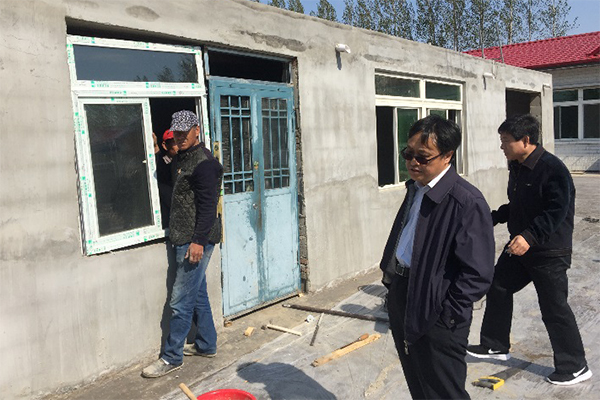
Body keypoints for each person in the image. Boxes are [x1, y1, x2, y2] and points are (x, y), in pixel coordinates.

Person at [467, 114, 592, 386]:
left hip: (548, 252)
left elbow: (556, 211)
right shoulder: (518, 166)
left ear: (525, 140)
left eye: (505, 141)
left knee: (554, 307)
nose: (502, 146)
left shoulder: (553, 170)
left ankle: (575, 366)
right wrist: (492, 218)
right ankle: (495, 345)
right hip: (521, 247)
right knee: (498, 286)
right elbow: (520, 205)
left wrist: (530, 236)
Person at [380, 114, 495, 399]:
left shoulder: (466, 201)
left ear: (447, 156)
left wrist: (446, 315)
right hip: (404, 293)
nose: (413, 162)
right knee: (417, 381)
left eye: (423, 157)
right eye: (408, 154)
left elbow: (477, 274)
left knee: (443, 391)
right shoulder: (416, 188)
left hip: (438, 310)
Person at [143, 110, 223, 378]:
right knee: (196, 293)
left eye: (184, 132)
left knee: (180, 300)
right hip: (183, 236)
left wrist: (198, 241)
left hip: (194, 240)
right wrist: (157, 149)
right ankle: (206, 344)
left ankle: (171, 357)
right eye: (176, 132)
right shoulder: (182, 158)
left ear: (196, 130)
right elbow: (167, 170)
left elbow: (209, 207)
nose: (180, 137)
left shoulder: (204, 164)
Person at [155, 129, 178, 228]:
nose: (179, 145)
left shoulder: (185, 161)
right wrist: (155, 148)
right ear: (165, 146)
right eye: (174, 142)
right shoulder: (161, 164)